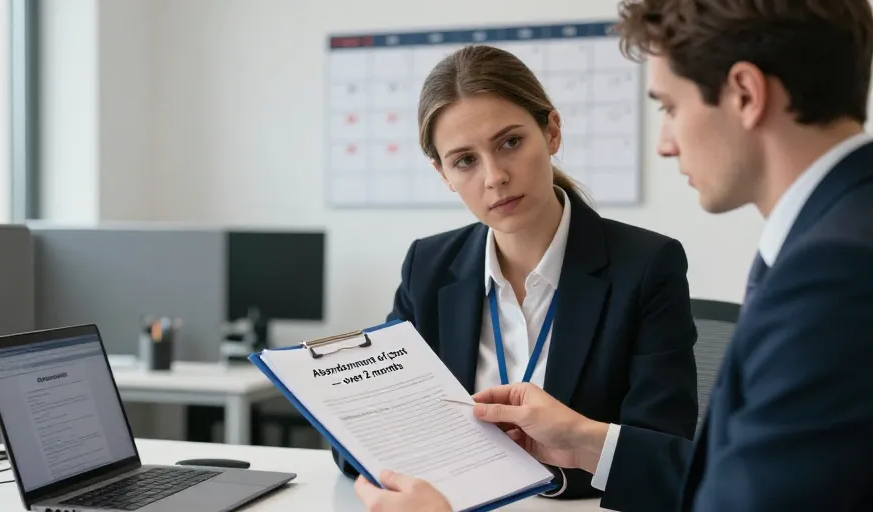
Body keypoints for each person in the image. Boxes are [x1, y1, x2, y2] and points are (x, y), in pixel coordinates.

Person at [353, 0, 873, 511]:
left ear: (745, 93)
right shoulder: (829, 242)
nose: (664, 143)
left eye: (669, 107)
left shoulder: (832, 270)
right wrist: (584, 440)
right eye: (464, 160)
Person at [334, 43, 701, 501]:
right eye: (465, 161)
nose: (494, 177)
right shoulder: (428, 267)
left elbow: (664, 451)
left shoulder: (646, 265)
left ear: (551, 132)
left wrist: (554, 468)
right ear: (443, 174)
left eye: (510, 142)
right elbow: (363, 436)